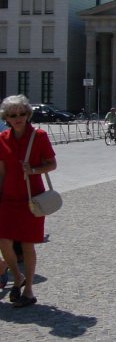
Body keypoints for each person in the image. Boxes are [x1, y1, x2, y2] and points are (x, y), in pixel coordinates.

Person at [0, 95, 58, 308]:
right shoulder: (2, 138)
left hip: (32, 199)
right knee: (3, 241)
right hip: (8, 198)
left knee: (27, 243)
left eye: (22, 113)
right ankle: (18, 276)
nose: (18, 118)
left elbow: (52, 164)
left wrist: (33, 170)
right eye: (12, 115)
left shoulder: (39, 136)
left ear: (28, 114)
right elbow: (1, 171)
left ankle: (29, 290)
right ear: (6, 118)